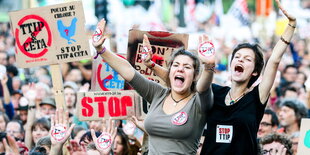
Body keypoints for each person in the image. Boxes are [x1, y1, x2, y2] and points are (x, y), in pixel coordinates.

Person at [148, 0, 296, 154]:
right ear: (231, 64)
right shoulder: (214, 92)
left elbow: (274, 61)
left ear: (255, 72)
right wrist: (151, 65)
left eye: (247, 59)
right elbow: (181, 78)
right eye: (237, 57)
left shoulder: (256, 97)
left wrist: (291, 24)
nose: (240, 60)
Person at [92, 18, 214, 154]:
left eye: (187, 67)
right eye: (176, 65)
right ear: (170, 71)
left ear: (195, 75)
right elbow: (129, 72)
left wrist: (209, 66)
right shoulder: (158, 94)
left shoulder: (198, 102)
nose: (180, 69)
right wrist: (101, 49)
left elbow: (204, 87)